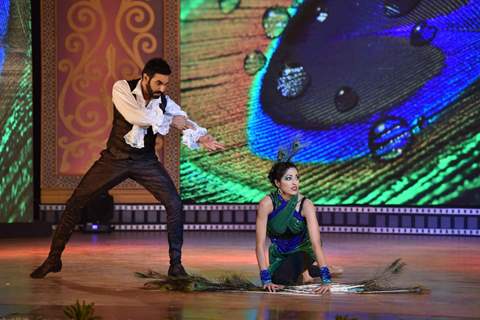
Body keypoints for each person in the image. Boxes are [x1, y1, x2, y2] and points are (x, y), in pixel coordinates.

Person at [31, 58, 224, 279]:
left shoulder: (164, 101)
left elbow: (183, 119)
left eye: (165, 84)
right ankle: (53, 259)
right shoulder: (122, 88)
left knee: (175, 204)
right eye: (158, 83)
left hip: (145, 161)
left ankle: (176, 265)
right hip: (115, 158)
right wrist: (171, 122)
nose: (162, 88)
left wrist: (199, 135)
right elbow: (136, 116)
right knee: (76, 202)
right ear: (145, 78)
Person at [255, 160, 332, 294]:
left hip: (304, 250)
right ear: (277, 183)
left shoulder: (306, 204)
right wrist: (265, 279)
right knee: (273, 281)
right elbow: (259, 245)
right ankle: (311, 270)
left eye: (297, 177)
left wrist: (326, 279)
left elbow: (315, 243)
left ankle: (317, 267)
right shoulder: (266, 204)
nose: (294, 182)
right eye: (288, 178)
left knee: (282, 280)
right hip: (279, 253)